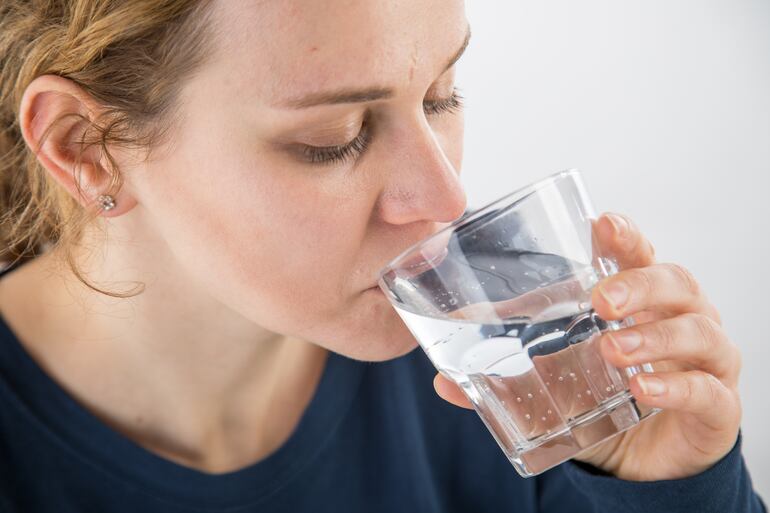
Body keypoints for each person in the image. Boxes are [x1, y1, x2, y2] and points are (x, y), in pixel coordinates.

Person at [0, 1, 765, 512]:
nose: (445, 200)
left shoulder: (530, 373)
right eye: (332, 139)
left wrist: (668, 487)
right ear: (84, 149)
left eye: (442, 94)